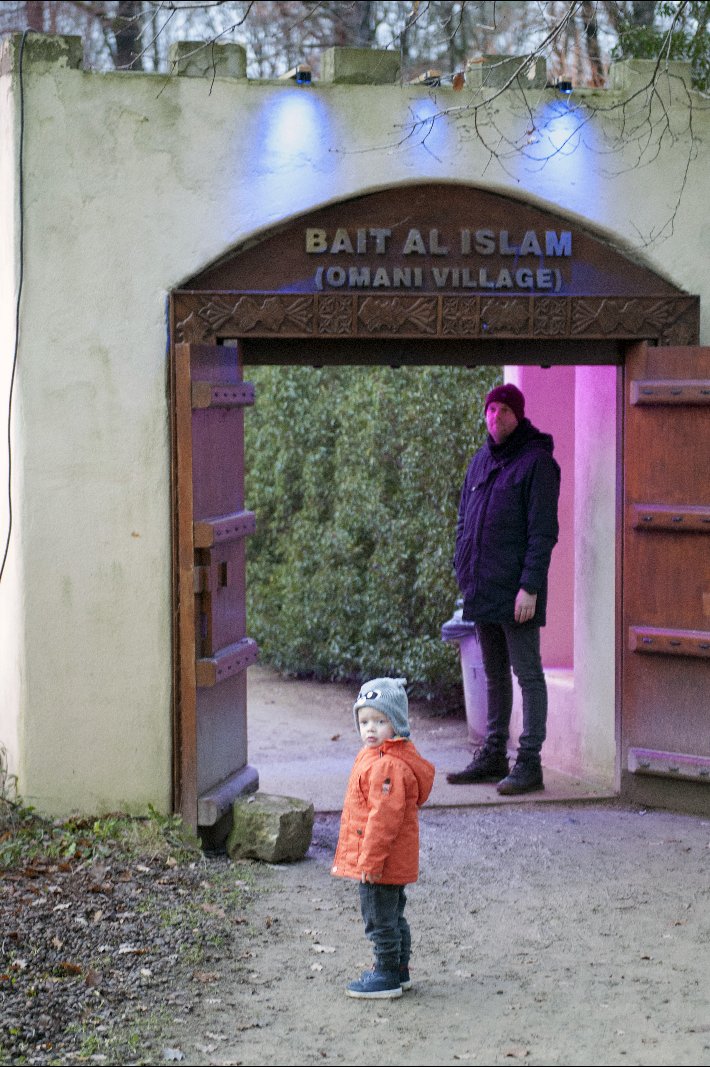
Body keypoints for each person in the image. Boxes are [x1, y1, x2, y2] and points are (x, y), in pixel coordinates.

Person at [447, 383, 560, 795]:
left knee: (527, 674)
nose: (495, 416)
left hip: (518, 593)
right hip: (483, 588)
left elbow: (543, 532)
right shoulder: (480, 461)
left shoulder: (537, 463)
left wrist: (530, 586)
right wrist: (463, 569)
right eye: (490, 410)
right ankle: (493, 754)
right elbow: (464, 521)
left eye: (504, 410)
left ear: (518, 415)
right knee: (494, 675)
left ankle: (529, 762)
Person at [332, 677, 435, 999]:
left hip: (381, 861)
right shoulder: (374, 755)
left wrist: (370, 861)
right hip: (388, 859)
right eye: (364, 721)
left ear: (398, 724)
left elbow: (383, 820)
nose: (371, 729)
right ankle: (400, 970)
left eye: (380, 721)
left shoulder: (388, 765)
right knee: (393, 914)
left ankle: (386, 974)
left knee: (379, 919)